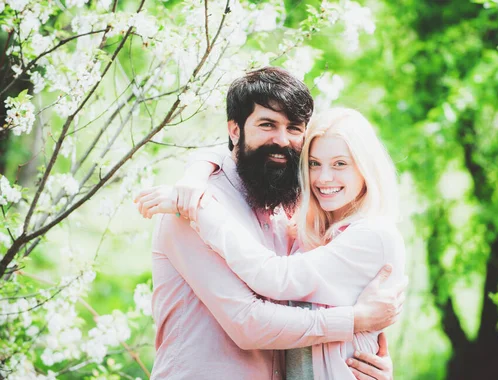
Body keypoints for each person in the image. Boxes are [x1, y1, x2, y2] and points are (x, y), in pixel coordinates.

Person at [134, 67, 407, 379]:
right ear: (234, 130)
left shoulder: (289, 213)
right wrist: (355, 321)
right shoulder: (190, 208)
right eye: (267, 125)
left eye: (294, 128)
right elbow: (247, 323)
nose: (282, 140)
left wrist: (366, 356)